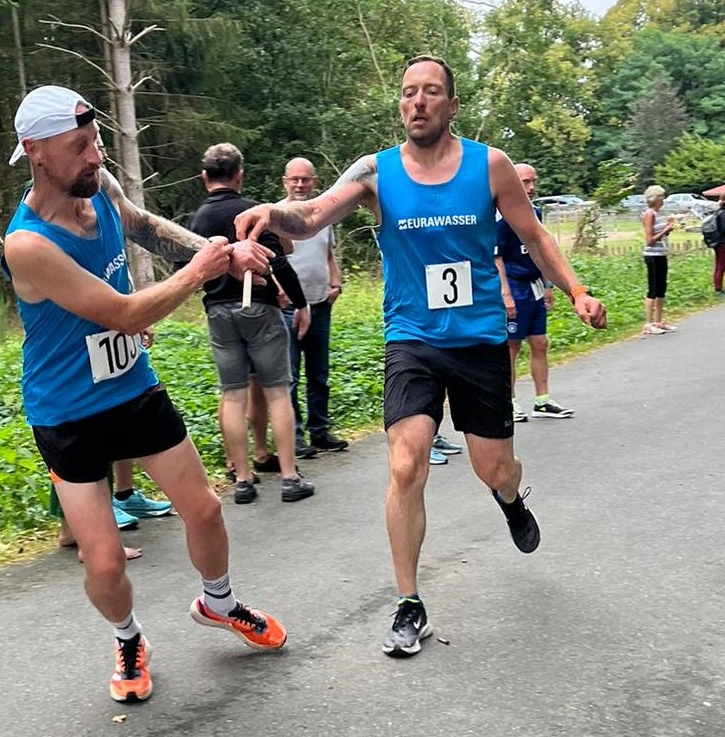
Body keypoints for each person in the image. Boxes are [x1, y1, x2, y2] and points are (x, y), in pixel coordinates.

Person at [234, 56, 606, 658]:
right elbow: (309, 215)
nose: (419, 102)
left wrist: (578, 290)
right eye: (409, 93)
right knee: (406, 464)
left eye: (432, 92)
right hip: (412, 338)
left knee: (494, 468)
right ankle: (410, 603)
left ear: (451, 105)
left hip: (482, 339)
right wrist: (270, 214)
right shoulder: (375, 173)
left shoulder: (491, 166)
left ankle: (510, 499)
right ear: (401, 105)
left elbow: (534, 236)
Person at [2, 85, 287, 704]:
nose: (95, 155)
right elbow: (125, 313)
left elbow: (144, 227)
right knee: (104, 563)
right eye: (80, 146)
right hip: (66, 412)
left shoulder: (98, 188)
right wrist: (200, 271)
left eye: (97, 140)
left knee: (206, 509)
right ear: (36, 152)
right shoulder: (27, 244)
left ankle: (219, 602)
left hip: (131, 389)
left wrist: (222, 249)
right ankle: (128, 639)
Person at [188, 143, 315, 505]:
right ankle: (290, 476)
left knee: (232, 393)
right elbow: (279, 262)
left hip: (218, 311)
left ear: (204, 178)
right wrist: (301, 303)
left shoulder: (197, 220)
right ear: (240, 176)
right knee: (277, 390)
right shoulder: (252, 212)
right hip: (259, 309)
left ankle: (243, 479)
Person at [279, 157, 349, 455]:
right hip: (288, 308)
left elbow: (329, 253)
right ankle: (294, 437)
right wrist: (281, 292)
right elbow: (272, 260)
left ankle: (319, 430)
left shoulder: (322, 215)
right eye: (294, 179)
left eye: (305, 179)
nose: (300, 184)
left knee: (319, 375)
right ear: (285, 182)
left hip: (321, 303)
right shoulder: (277, 215)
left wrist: (336, 282)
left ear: (315, 181)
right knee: (290, 375)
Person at [495, 162, 573, 421]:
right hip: (514, 286)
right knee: (511, 346)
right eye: (524, 182)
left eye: (533, 182)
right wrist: (505, 294)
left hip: (534, 286)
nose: (530, 188)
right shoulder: (501, 216)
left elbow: (539, 252)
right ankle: (509, 400)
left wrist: (549, 285)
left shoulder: (535, 213)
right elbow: (497, 258)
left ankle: (542, 400)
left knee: (540, 342)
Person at [641, 185, 676, 335]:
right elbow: (649, 240)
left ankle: (659, 321)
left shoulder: (658, 214)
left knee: (662, 288)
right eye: (662, 197)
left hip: (661, 254)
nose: (664, 200)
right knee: (653, 289)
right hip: (652, 255)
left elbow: (661, 236)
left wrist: (667, 228)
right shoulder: (649, 214)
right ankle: (648, 323)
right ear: (655, 198)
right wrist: (665, 230)